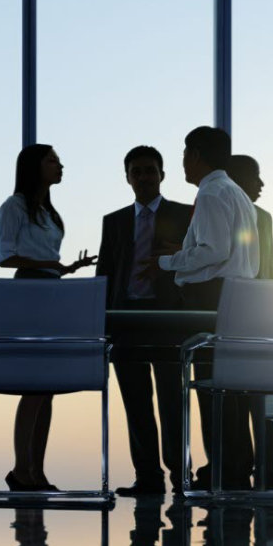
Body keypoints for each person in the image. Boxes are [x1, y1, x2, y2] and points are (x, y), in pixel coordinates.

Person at [158, 126, 259, 488]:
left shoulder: (213, 193)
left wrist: (168, 262)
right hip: (237, 296)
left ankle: (221, 468)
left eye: (185, 154)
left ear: (196, 154)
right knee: (230, 390)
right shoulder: (236, 193)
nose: (182, 162)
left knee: (212, 387)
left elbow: (213, 251)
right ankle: (233, 466)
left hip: (211, 297)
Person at [0, 143, 97, 491]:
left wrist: (64, 268)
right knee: (35, 386)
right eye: (52, 159)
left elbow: (43, 258)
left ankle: (35, 471)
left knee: (47, 389)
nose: (60, 165)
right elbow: (5, 257)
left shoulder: (50, 213)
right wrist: (50, 266)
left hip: (50, 293)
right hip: (29, 295)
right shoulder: (14, 207)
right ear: (33, 166)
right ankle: (22, 468)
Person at [97, 146, 192, 495]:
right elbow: (105, 273)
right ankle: (148, 476)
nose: (143, 177)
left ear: (162, 175)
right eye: (136, 172)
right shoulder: (114, 221)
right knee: (135, 402)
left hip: (169, 317)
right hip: (126, 318)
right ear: (127, 178)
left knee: (172, 400)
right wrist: (104, 323)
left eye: (150, 170)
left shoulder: (185, 215)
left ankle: (181, 476)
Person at [227, 153, 273, 489]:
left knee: (258, 399)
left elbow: (267, 267)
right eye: (255, 177)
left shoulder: (261, 217)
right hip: (242, 318)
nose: (262, 184)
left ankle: (264, 468)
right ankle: (249, 467)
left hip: (257, 319)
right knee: (244, 400)